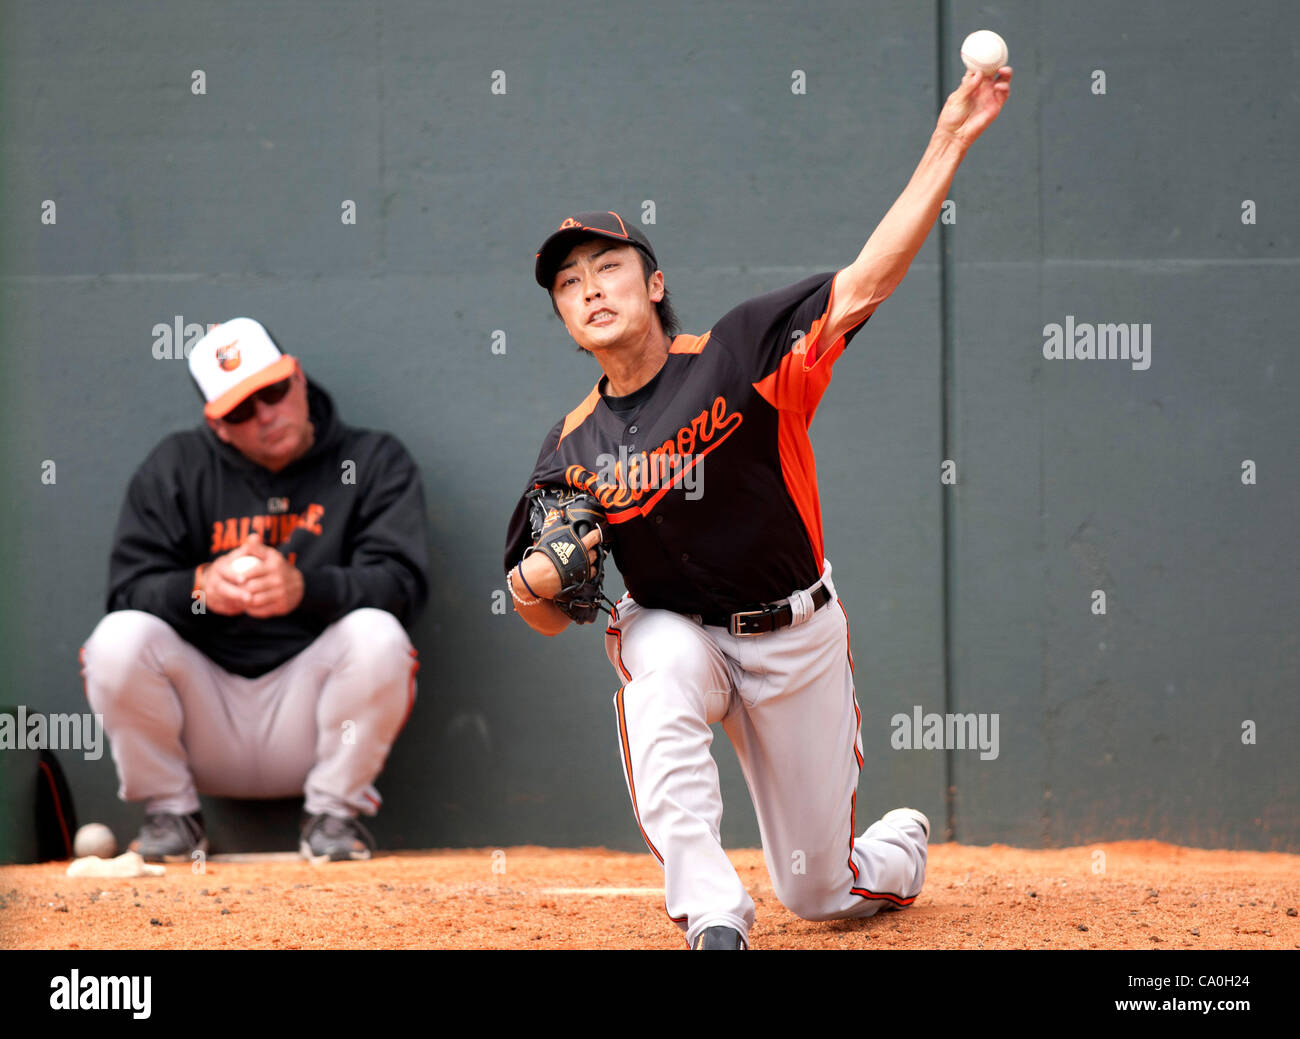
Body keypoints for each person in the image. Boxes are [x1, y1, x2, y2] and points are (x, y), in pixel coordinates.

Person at [504, 67, 1011, 947]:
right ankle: (711, 912)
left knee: (820, 889)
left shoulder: (739, 353)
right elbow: (548, 617)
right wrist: (532, 584)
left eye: (609, 267)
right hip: (678, 627)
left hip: (795, 633)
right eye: (568, 284)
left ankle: (896, 846)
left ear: (653, 285)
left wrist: (951, 140)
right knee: (652, 676)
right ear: (562, 317)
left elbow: (864, 283)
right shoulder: (570, 448)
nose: (589, 288)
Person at [80, 318, 430, 863]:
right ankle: (170, 814)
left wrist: (304, 590)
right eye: (242, 409)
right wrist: (199, 588)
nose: (266, 415)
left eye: (272, 392)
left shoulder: (372, 460)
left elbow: (403, 588)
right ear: (217, 425)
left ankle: (333, 817)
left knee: (377, 633)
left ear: (297, 378)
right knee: (118, 639)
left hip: (313, 718)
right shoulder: (175, 467)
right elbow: (127, 593)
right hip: (203, 720)